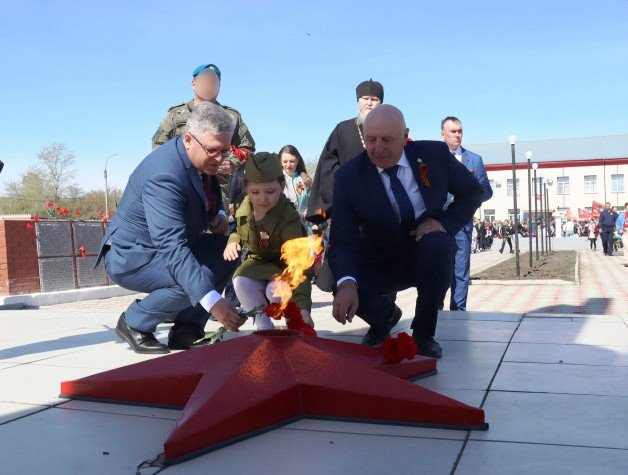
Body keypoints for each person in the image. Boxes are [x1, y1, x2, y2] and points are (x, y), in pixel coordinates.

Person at [329, 105, 484, 359]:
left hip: (426, 249)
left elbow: (473, 192)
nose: (378, 148)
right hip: (380, 257)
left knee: (439, 245)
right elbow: (342, 239)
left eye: (387, 139)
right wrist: (346, 284)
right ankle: (385, 318)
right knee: (339, 280)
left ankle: (423, 335)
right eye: (371, 140)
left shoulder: (434, 156)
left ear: (405, 136)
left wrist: (443, 223)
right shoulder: (349, 177)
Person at [97, 103, 244, 354]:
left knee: (227, 251)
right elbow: (171, 247)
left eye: (225, 151)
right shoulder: (165, 175)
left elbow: (209, 192)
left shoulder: (200, 157)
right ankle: (134, 322)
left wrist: (218, 214)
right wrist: (213, 301)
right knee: (194, 280)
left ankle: (187, 328)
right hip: (133, 254)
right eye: (213, 151)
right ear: (188, 139)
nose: (220, 159)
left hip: (171, 246)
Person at [224, 152, 314, 331]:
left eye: (270, 191)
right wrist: (233, 241)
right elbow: (239, 231)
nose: (262, 199)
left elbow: (300, 264)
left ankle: (294, 323)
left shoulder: (288, 219)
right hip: (256, 265)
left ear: (282, 186)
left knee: (275, 291)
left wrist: (303, 307)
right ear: (246, 188)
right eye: (255, 192)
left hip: (283, 269)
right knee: (241, 281)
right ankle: (263, 328)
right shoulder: (244, 208)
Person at [151, 63, 256, 215]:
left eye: (214, 82)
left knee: (217, 225)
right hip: (183, 183)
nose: (209, 85)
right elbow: (158, 146)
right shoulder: (176, 114)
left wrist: (233, 163)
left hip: (220, 190)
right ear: (194, 84)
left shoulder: (232, 116)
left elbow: (248, 148)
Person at [307, 79, 384, 221]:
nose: (369, 103)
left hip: (382, 201)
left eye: (374, 99)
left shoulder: (389, 128)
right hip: (349, 202)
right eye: (365, 98)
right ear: (358, 102)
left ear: (381, 104)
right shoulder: (342, 129)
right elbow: (327, 165)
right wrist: (345, 190)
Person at [278, 145, 313, 232]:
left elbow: (313, 202)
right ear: (280, 162)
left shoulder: (305, 180)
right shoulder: (276, 181)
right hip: (285, 228)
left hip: (306, 227)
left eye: (292, 161)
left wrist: (304, 214)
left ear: (298, 161)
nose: (288, 165)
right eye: (285, 161)